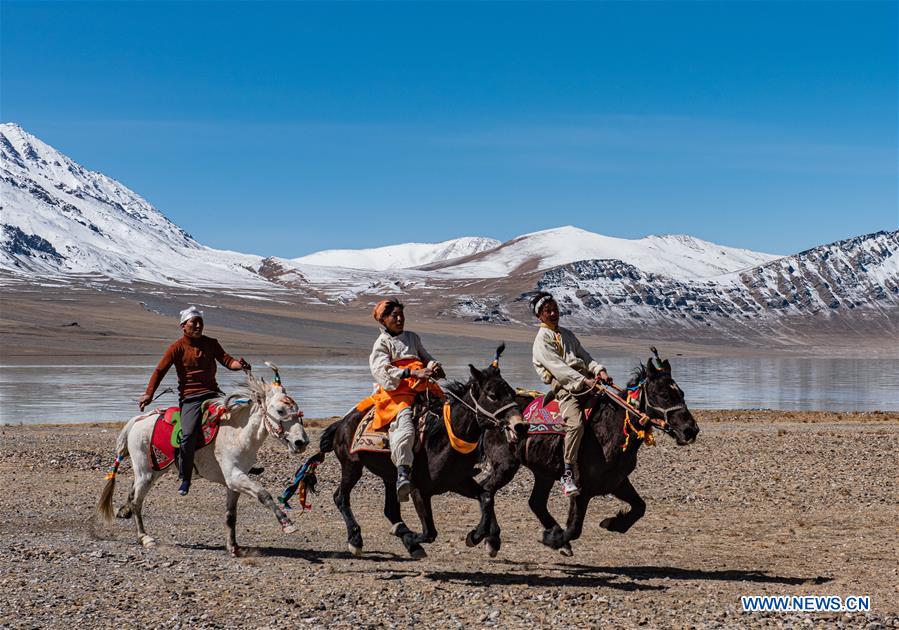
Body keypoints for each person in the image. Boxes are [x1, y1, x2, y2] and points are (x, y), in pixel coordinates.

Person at [138, 306, 250, 496]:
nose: (198, 325)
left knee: (238, 417)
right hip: (191, 398)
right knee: (188, 434)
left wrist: (240, 365)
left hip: (214, 394)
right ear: (184, 326)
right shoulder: (177, 348)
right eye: (194, 322)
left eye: (200, 322)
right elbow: (159, 371)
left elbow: (227, 361)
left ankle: (242, 462)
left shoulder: (211, 343)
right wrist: (149, 394)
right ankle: (185, 476)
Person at [530, 292, 612, 497]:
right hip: (566, 389)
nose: (553, 313)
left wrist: (598, 370)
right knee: (575, 425)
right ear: (539, 316)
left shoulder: (567, 334)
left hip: (587, 382)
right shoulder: (542, 340)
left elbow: (585, 356)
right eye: (547, 310)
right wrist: (583, 380)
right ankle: (567, 472)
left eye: (555, 308)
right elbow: (558, 368)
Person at [368, 299, 444, 502]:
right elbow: (381, 370)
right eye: (395, 315)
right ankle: (403, 473)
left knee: (449, 413)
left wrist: (434, 366)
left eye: (402, 315)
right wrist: (412, 372)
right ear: (383, 319)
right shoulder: (382, 343)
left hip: (423, 387)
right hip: (397, 393)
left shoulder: (413, 337)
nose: (400, 319)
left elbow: (426, 357)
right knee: (405, 425)